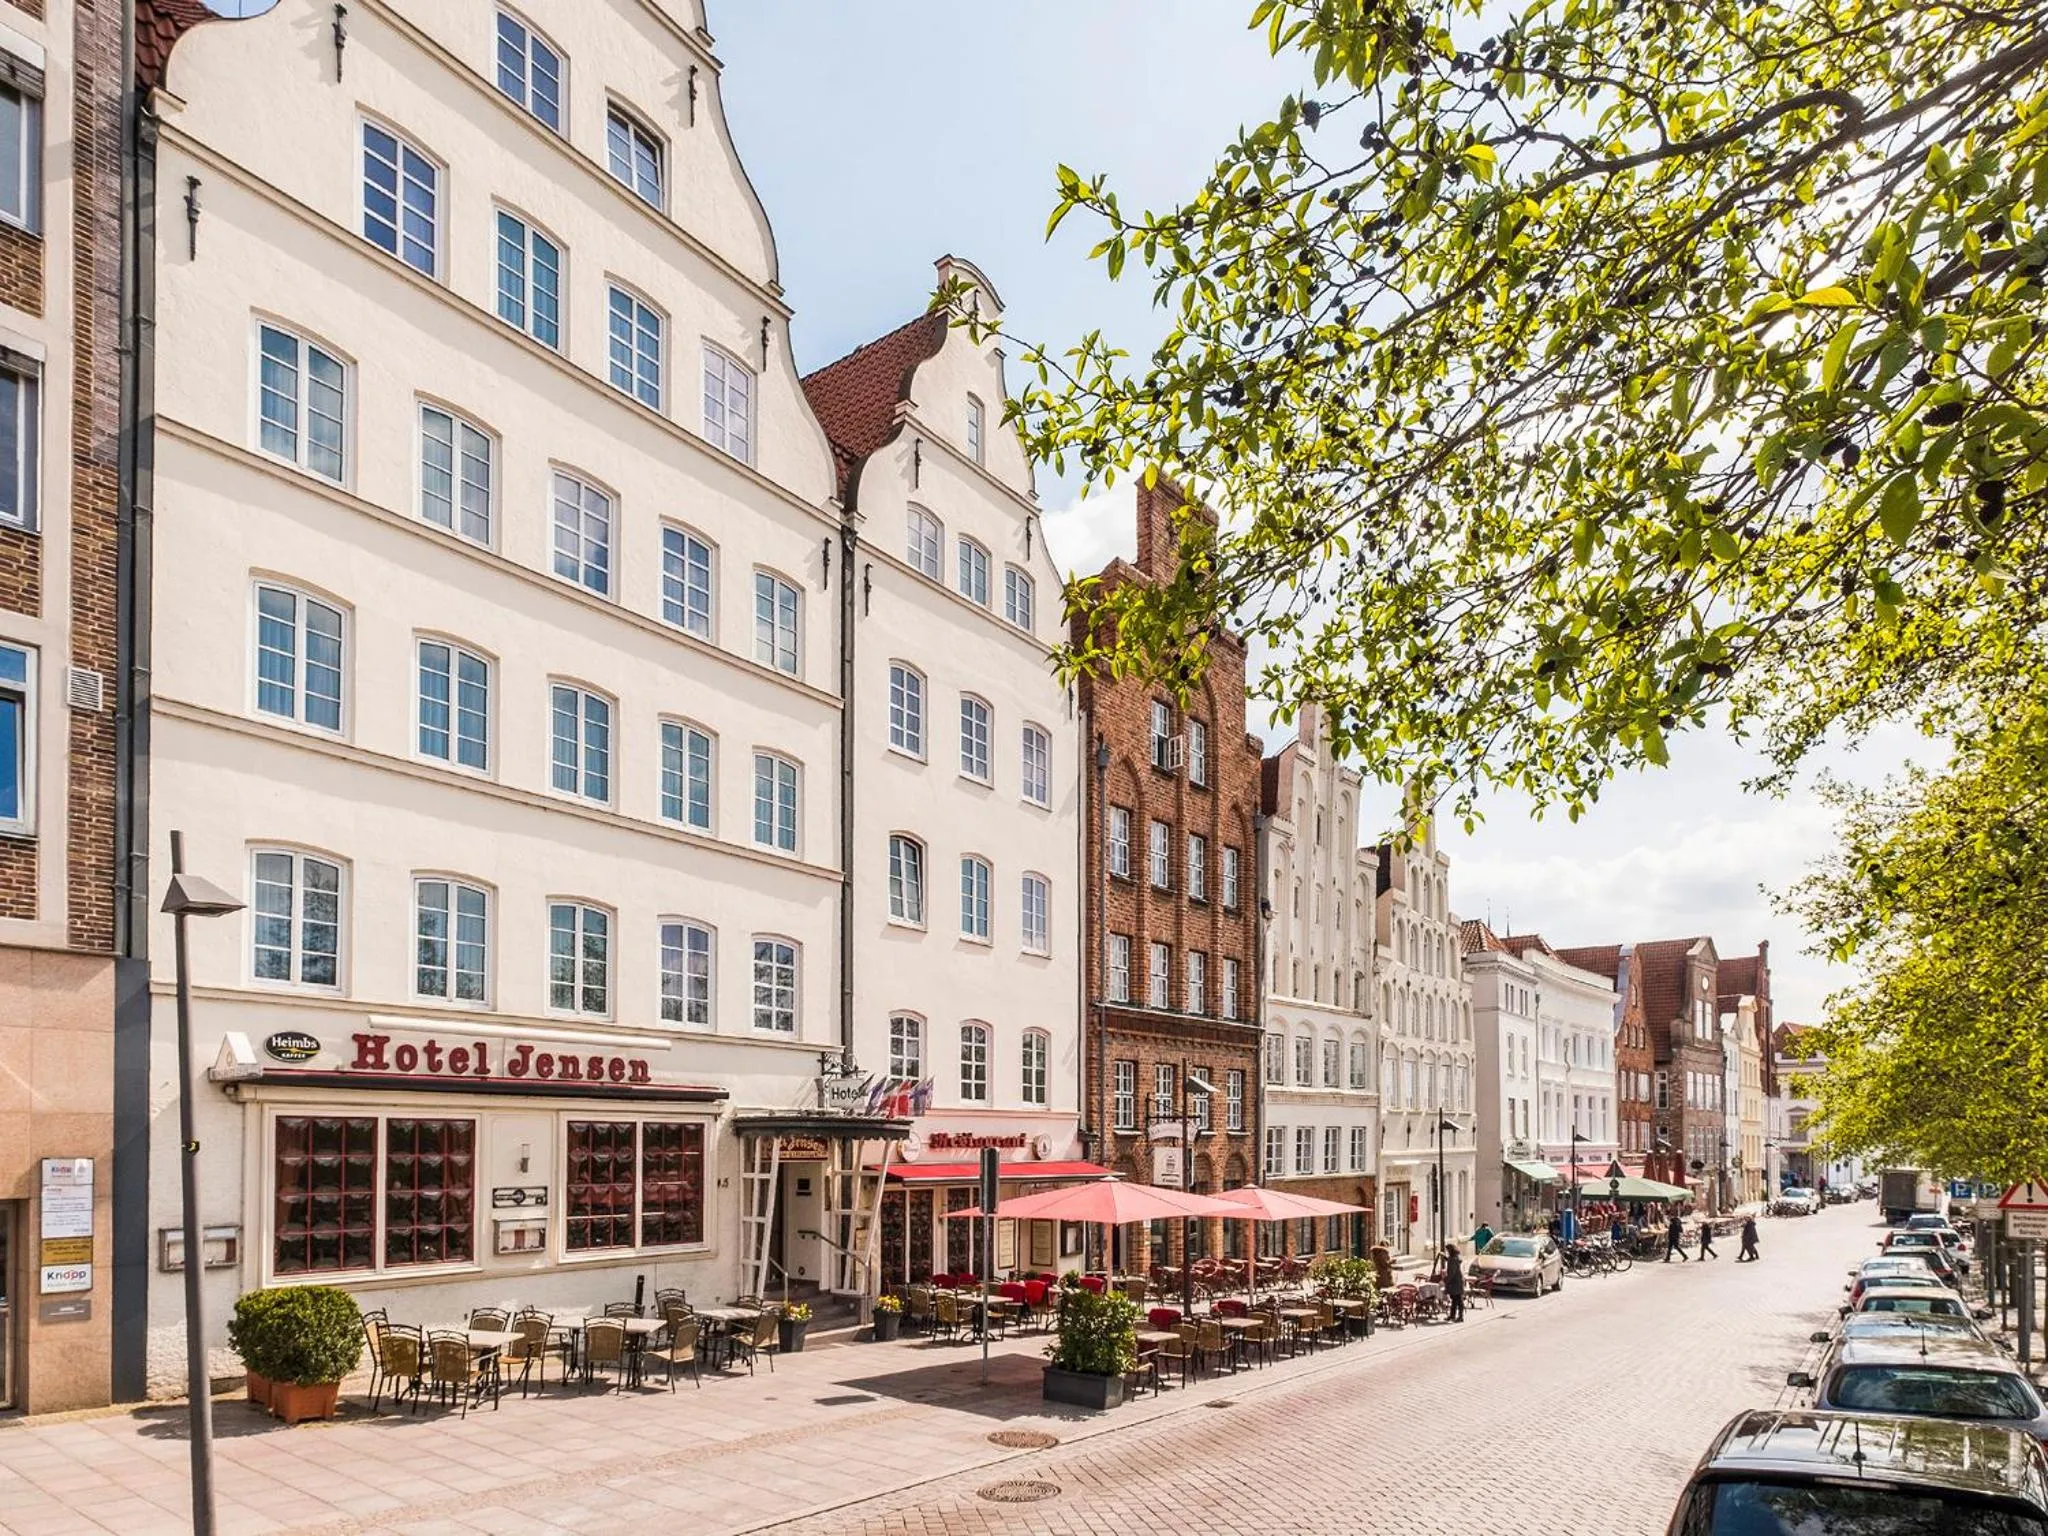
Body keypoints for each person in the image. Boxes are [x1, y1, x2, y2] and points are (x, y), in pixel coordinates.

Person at [1443, 1244, 1466, 1322]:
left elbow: (1451, 1272)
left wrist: (1446, 1280)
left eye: (1447, 1250)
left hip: (1455, 1282)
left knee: (1458, 1299)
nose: (1447, 1252)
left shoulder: (1452, 1259)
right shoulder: (1455, 1258)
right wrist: (1446, 1258)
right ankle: (1453, 1316)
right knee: (1455, 1300)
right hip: (1457, 1281)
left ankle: (1460, 1316)